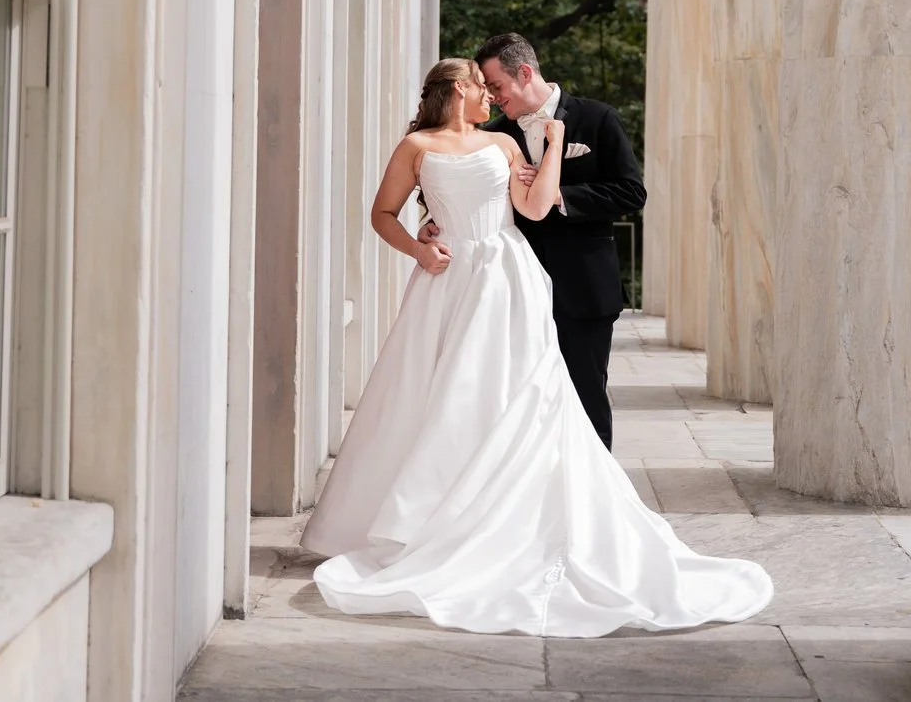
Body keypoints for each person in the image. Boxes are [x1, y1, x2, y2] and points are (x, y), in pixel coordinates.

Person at [301, 57, 772, 638]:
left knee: (523, 394)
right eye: (482, 88)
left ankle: (520, 517)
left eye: (493, 87)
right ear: (456, 91)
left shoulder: (501, 146)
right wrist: (419, 248)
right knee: (440, 395)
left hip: (508, 279)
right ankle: (429, 515)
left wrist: (552, 147)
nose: (491, 100)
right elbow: (382, 213)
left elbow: (533, 207)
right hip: (447, 282)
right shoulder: (416, 146)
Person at [472, 30, 644, 449]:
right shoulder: (495, 136)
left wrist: (558, 197)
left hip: (583, 289)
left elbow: (631, 192)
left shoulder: (598, 118)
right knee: (523, 403)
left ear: (524, 72)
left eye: (496, 86)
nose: (492, 97)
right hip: (516, 290)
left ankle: (596, 503)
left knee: (585, 398)